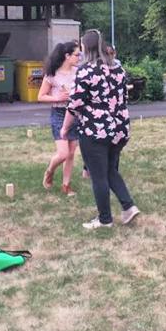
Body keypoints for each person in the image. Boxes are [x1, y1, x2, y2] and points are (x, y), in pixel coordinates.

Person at [61, 29, 140, 229]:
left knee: (98, 175)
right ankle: (128, 207)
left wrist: (64, 128)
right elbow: (124, 98)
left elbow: (75, 104)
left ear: (86, 48)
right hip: (120, 128)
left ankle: (105, 219)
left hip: (95, 130)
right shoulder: (118, 69)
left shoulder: (85, 71)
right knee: (110, 169)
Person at [38, 41, 81, 196]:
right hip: (58, 114)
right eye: (76, 55)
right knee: (62, 153)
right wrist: (58, 97)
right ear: (67, 56)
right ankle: (50, 171)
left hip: (75, 113)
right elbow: (41, 96)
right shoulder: (52, 74)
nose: (79, 58)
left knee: (71, 153)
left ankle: (66, 185)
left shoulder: (78, 72)